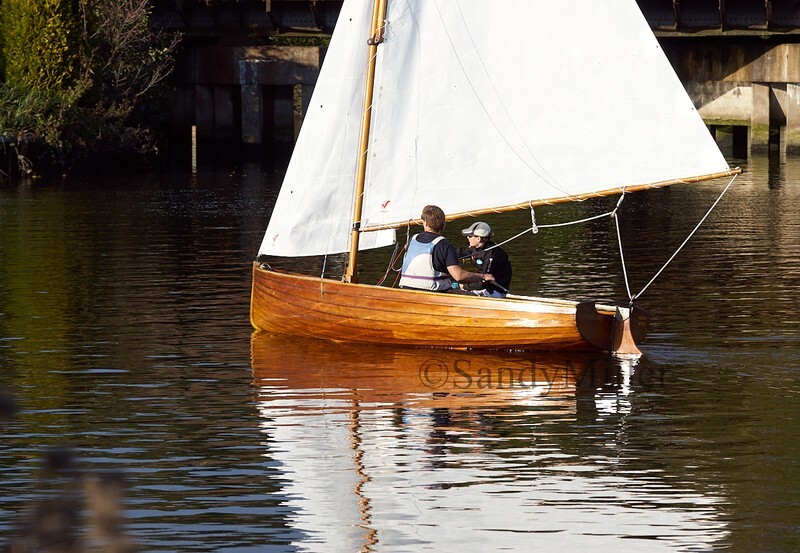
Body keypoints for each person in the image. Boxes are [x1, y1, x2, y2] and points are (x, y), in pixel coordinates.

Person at [399, 205, 495, 292]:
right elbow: (459, 276)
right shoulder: (444, 245)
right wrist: (483, 276)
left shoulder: (412, 240)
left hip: (407, 290)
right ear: (443, 224)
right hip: (434, 292)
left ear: (425, 222)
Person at [456, 221, 512, 298]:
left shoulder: (492, 255)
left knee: (458, 291)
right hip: (481, 286)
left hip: (495, 290)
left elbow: (484, 282)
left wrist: (464, 286)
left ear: (478, 238)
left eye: (470, 236)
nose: (467, 238)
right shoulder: (475, 248)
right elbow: (460, 252)